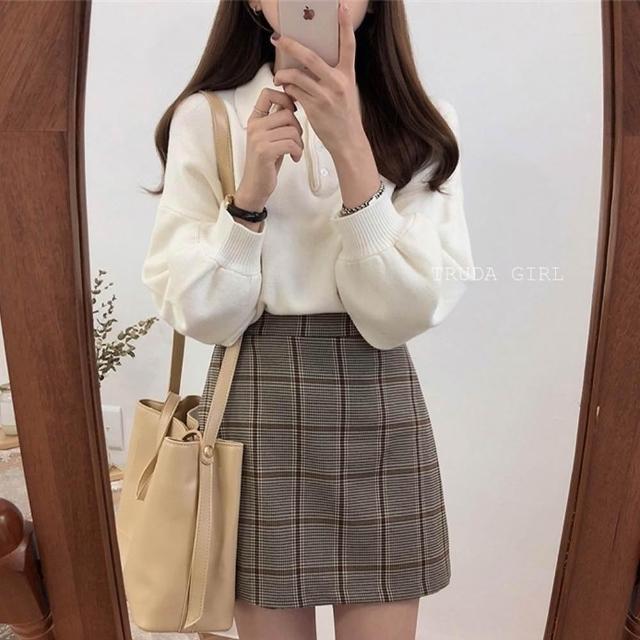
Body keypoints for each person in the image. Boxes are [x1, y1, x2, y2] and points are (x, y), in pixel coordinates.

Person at [141, 1, 474, 638]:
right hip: (255, 401)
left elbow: (406, 308)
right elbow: (200, 313)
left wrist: (352, 150)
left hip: (377, 401)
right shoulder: (208, 116)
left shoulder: (421, 121)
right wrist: (248, 200)